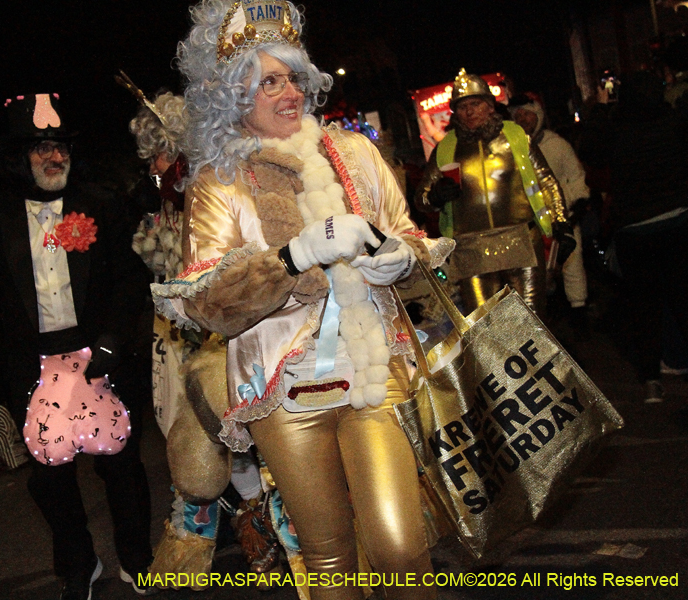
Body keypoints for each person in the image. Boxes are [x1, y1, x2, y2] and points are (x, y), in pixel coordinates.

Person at [153, 2, 454, 598]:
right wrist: (292, 258)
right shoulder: (218, 183)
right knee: (326, 559)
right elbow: (203, 302)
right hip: (281, 394)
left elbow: (415, 237)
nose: (289, 92)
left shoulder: (357, 153)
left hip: (373, 370)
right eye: (269, 81)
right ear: (234, 97)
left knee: (400, 544)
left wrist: (403, 257)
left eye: (293, 76)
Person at [0, 93, 155, 600]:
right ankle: (77, 564)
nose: (53, 156)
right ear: (17, 156)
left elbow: (131, 281)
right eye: (41, 146)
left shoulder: (101, 204)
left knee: (123, 467)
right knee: (51, 481)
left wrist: (112, 340)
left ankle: (136, 557)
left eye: (60, 145)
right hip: (31, 366)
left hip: (99, 356)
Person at [126, 88, 284, 584]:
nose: (153, 165)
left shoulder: (221, 187)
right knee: (203, 438)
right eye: (150, 157)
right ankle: (249, 521)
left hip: (241, 333)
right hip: (182, 341)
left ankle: (285, 526)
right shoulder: (160, 211)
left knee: (255, 430)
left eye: (161, 153)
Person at [416, 69, 575, 319]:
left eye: (475, 104)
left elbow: (546, 181)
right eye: (463, 106)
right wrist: (435, 195)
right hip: (472, 249)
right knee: (488, 329)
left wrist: (560, 221)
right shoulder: (445, 148)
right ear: (455, 112)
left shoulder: (515, 136)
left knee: (532, 323)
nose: (469, 111)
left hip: (521, 241)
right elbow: (421, 199)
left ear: (490, 106)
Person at [580, 71, 688, 403]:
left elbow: (589, 152)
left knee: (645, 305)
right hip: (678, 220)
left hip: (634, 229)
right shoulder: (672, 123)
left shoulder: (616, 130)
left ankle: (652, 380)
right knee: (683, 297)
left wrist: (598, 109)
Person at [509, 99, 590, 313]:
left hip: (563, 216)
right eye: (517, 115)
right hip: (533, 222)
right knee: (538, 272)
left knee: (572, 264)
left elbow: (575, 177)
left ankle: (579, 310)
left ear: (539, 116)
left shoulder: (557, 145)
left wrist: (573, 207)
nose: (522, 119)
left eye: (527, 114)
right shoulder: (513, 149)